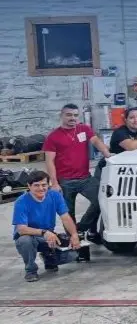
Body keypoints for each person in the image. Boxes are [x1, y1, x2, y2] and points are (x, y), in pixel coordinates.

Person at [42, 104, 112, 242]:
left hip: (85, 178)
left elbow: (96, 142)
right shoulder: (53, 137)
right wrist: (54, 183)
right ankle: (73, 242)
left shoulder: (84, 129)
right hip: (65, 181)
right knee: (68, 213)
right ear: (61, 116)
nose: (72, 118)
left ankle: (80, 228)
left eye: (75, 115)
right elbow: (49, 161)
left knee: (102, 199)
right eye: (69, 115)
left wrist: (108, 155)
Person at [12, 171, 83, 282]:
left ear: (48, 184)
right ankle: (31, 270)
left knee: (72, 255)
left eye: (44, 185)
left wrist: (74, 235)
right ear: (29, 186)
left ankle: (49, 258)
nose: (41, 188)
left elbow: (65, 217)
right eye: (36, 185)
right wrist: (44, 233)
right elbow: (21, 229)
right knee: (25, 241)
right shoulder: (21, 202)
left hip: (47, 235)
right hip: (29, 235)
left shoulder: (55, 196)